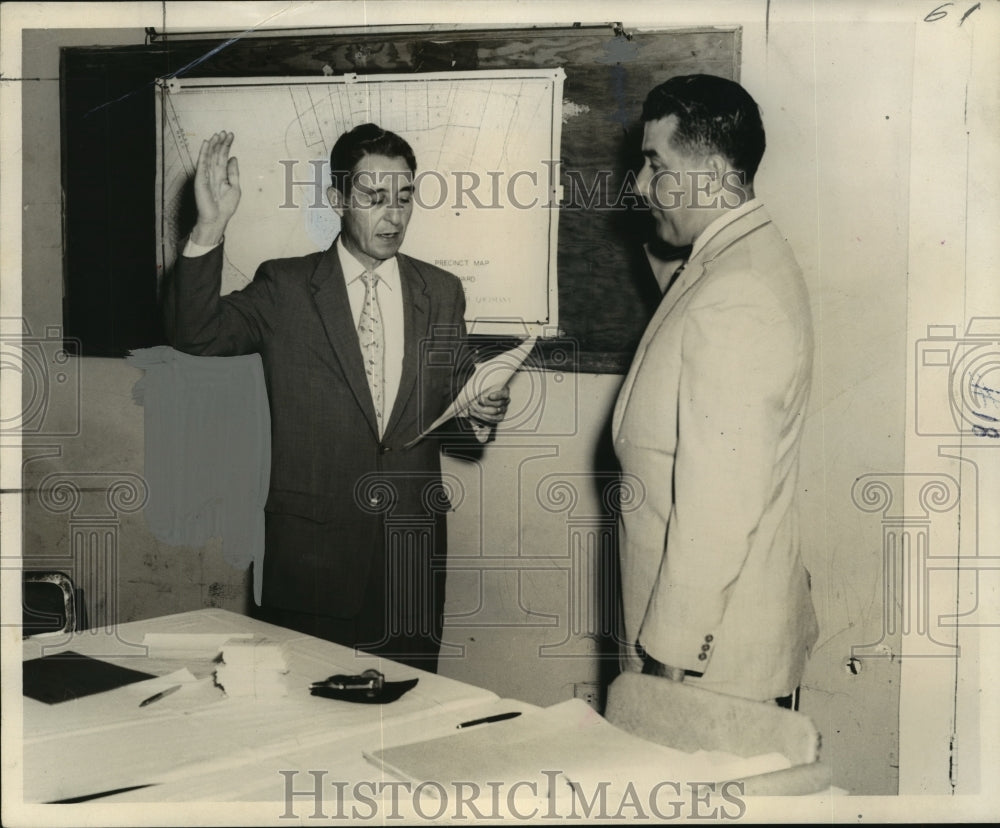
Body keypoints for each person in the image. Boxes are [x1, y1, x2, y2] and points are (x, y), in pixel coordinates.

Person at [164, 124, 509, 672]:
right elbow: (195, 335)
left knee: (408, 723)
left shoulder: (441, 292)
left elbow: (460, 405)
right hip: (313, 563)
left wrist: (483, 410)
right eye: (374, 198)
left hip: (409, 564)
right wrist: (210, 225)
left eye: (403, 197)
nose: (393, 216)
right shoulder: (285, 287)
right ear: (338, 199)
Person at [612, 75, 818, 703]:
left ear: (718, 172)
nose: (640, 186)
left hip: (708, 670)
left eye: (655, 165)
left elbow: (717, 507)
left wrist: (667, 670)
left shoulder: (736, 298)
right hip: (722, 646)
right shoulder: (734, 258)